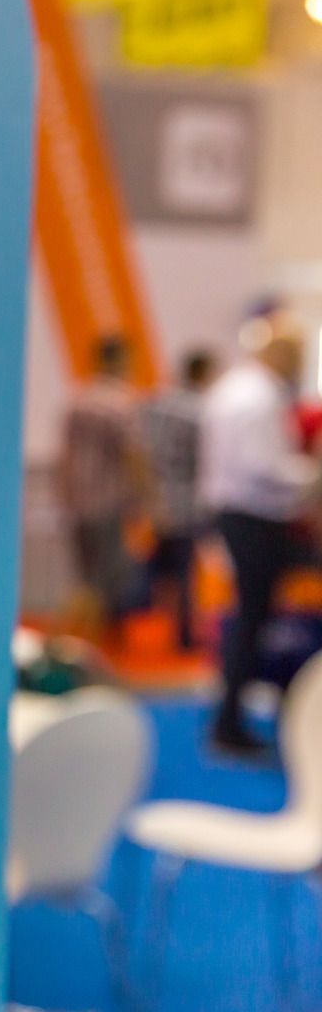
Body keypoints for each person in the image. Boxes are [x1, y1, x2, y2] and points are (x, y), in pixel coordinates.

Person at [200, 307, 318, 752]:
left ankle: (232, 719)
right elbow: (263, 466)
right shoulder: (261, 396)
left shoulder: (234, 388)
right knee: (251, 621)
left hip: (239, 515)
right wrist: (311, 474)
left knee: (250, 621)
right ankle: (231, 723)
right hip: (256, 518)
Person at [59, 335, 149, 633]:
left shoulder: (80, 400)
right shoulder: (121, 402)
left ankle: (79, 635)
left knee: (86, 575)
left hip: (77, 500)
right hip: (108, 501)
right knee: (106, 577)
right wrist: (145, 497)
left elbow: (66, 454)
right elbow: (132, 454)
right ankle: (91, 639)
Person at [140, 350, 216, 652]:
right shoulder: (200, 410)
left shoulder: (157, 403)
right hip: (187, 498)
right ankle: (183, 633)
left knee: (160, 569)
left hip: (158, 496)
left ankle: (149, 628)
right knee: (184, 569)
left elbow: (142, 450)